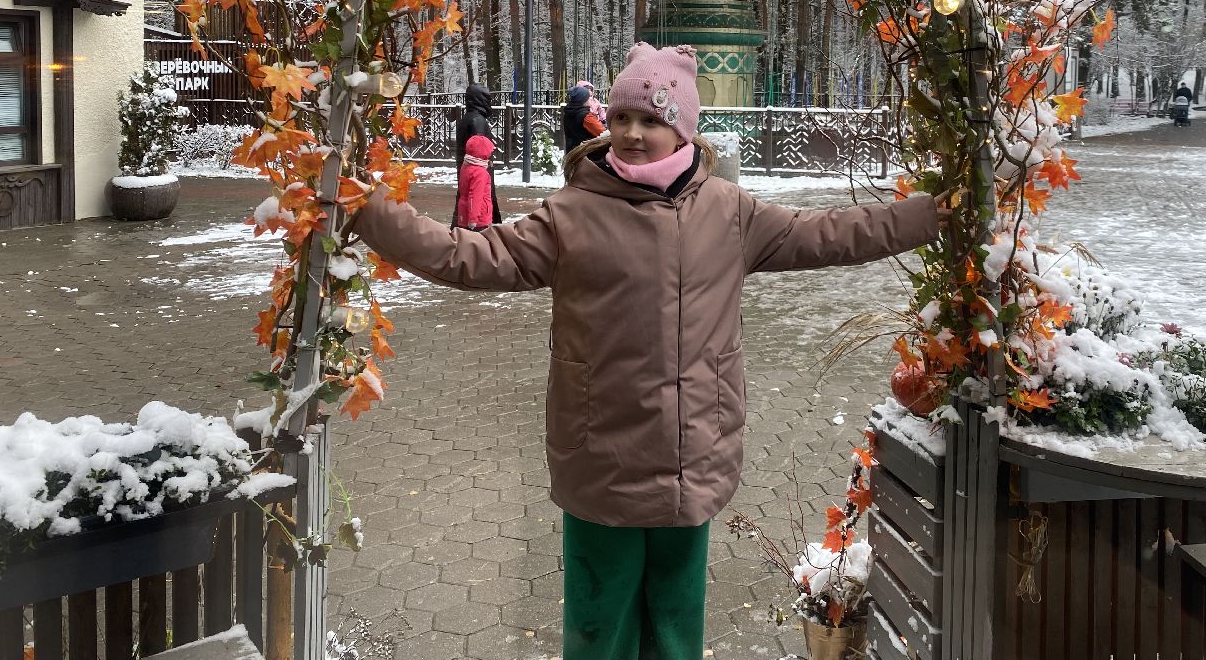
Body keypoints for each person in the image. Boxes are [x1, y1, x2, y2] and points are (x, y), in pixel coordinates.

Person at [347, 42, 949, 660]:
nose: (632, 134)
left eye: (652, 120)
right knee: (597, 625)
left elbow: (832, 233)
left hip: (694, 459)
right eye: (622, 118)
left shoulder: (729, 213)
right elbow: (467, 255)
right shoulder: (571, 215)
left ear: (683, 128)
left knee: (675, 624)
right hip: (601, 457)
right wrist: (367, 211)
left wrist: (933, 215)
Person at [454, 84, 501, 226]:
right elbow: (479, 147)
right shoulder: (477, 120)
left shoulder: (469, 117)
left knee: (464, 201)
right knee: (478, 199)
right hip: (478, 170)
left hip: (467, 168)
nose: (489, 102)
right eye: (486, 98)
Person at [455, 134, 496, 229]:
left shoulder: (466, 166)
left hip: (464, 213)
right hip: (479, 218)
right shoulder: (480, 173)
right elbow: (475, 196)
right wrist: (473, 219)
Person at [562, 84, 606, 153]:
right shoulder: (586, 116)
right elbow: (603, 133)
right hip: (587, 155)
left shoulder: (569, 112)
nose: (590, 100)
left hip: (572, 152)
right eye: (588, 98)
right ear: (582, 100)